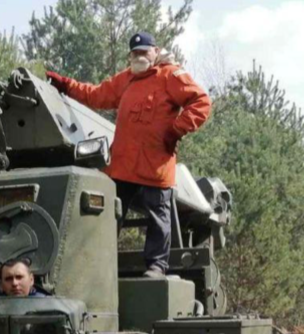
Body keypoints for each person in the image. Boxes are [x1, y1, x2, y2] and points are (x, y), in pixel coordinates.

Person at [46, 31, 211, 278]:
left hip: (155, 164)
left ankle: (156, 267)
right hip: (123, 164)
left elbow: (201, 102)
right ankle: (98, 264)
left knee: (158, 217)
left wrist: (177, 129)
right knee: (110, 214)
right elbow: (96, 95)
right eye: (134, 52)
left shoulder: (170, 75)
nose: (139, 55)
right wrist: (66, 85)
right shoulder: (126, 78)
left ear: (155, 52)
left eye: (144, 51)